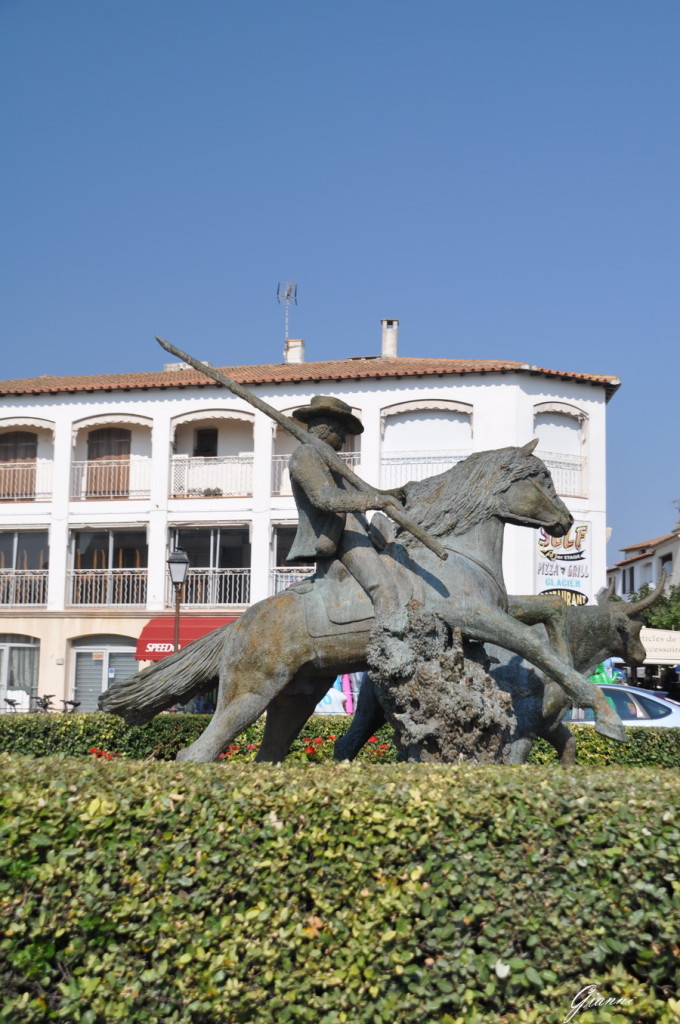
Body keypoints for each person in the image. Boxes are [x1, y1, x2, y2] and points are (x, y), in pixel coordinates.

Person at [286, 395, 411, 677]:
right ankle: (395, 652)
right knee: (384, 587)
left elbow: (367, 490)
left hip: (357, 526)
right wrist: (374, 502)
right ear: (326, 429)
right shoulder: (305, 456)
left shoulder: (329, 457)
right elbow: (324, 498)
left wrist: (398, 492)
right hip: (342, 533)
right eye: (342, 431)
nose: (344, 438)